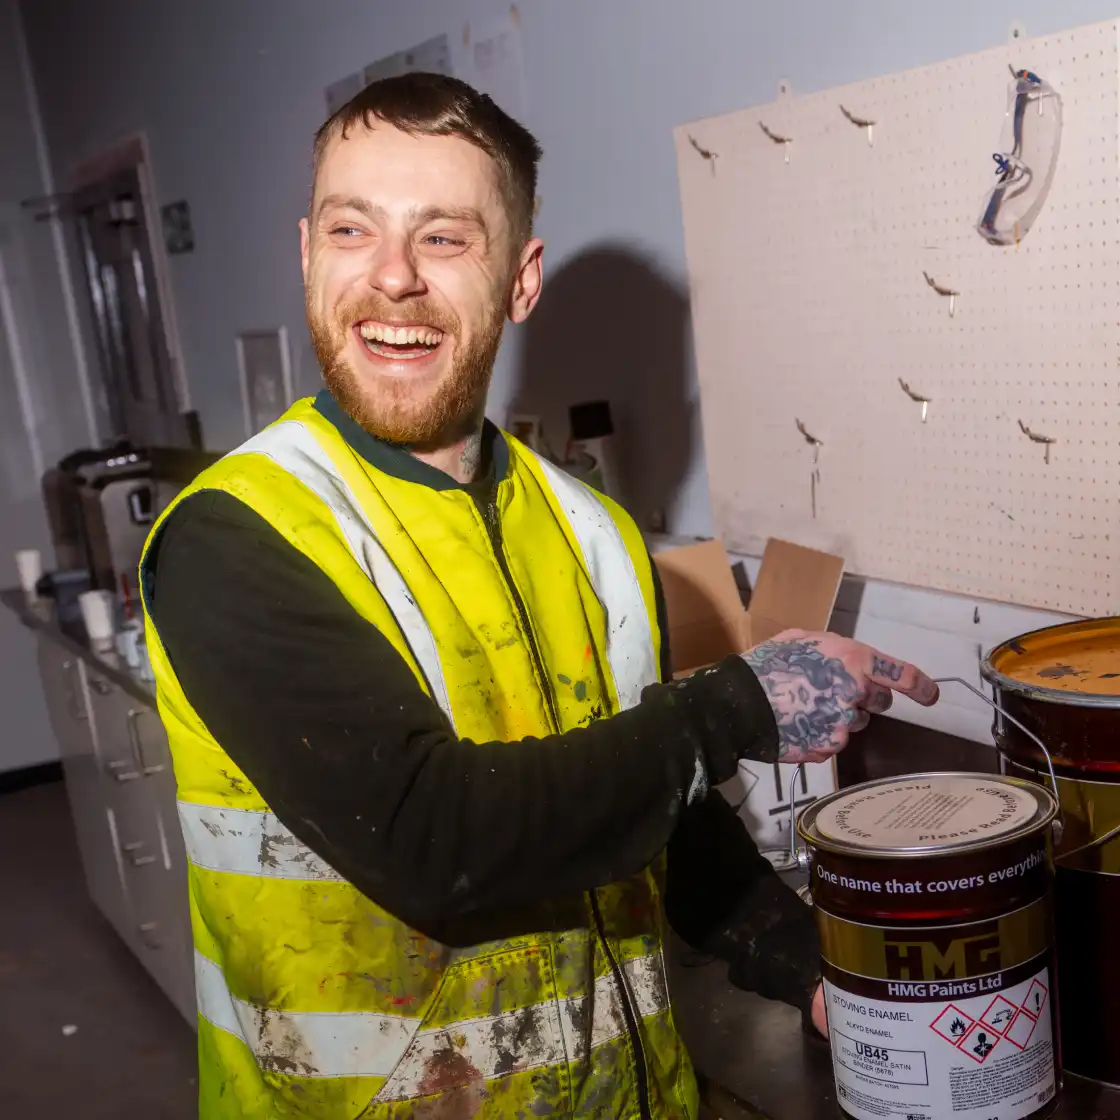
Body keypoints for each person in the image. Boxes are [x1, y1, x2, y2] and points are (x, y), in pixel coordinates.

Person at [138, 72, 940, 1119]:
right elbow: (434, 838)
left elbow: (667, 804)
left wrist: (807, 967)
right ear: (305, 253)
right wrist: (740, 704)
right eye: (352, 230)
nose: (391, 279)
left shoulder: (593, 531)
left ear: (519, 281)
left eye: (443, 238)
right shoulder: (235, 533)